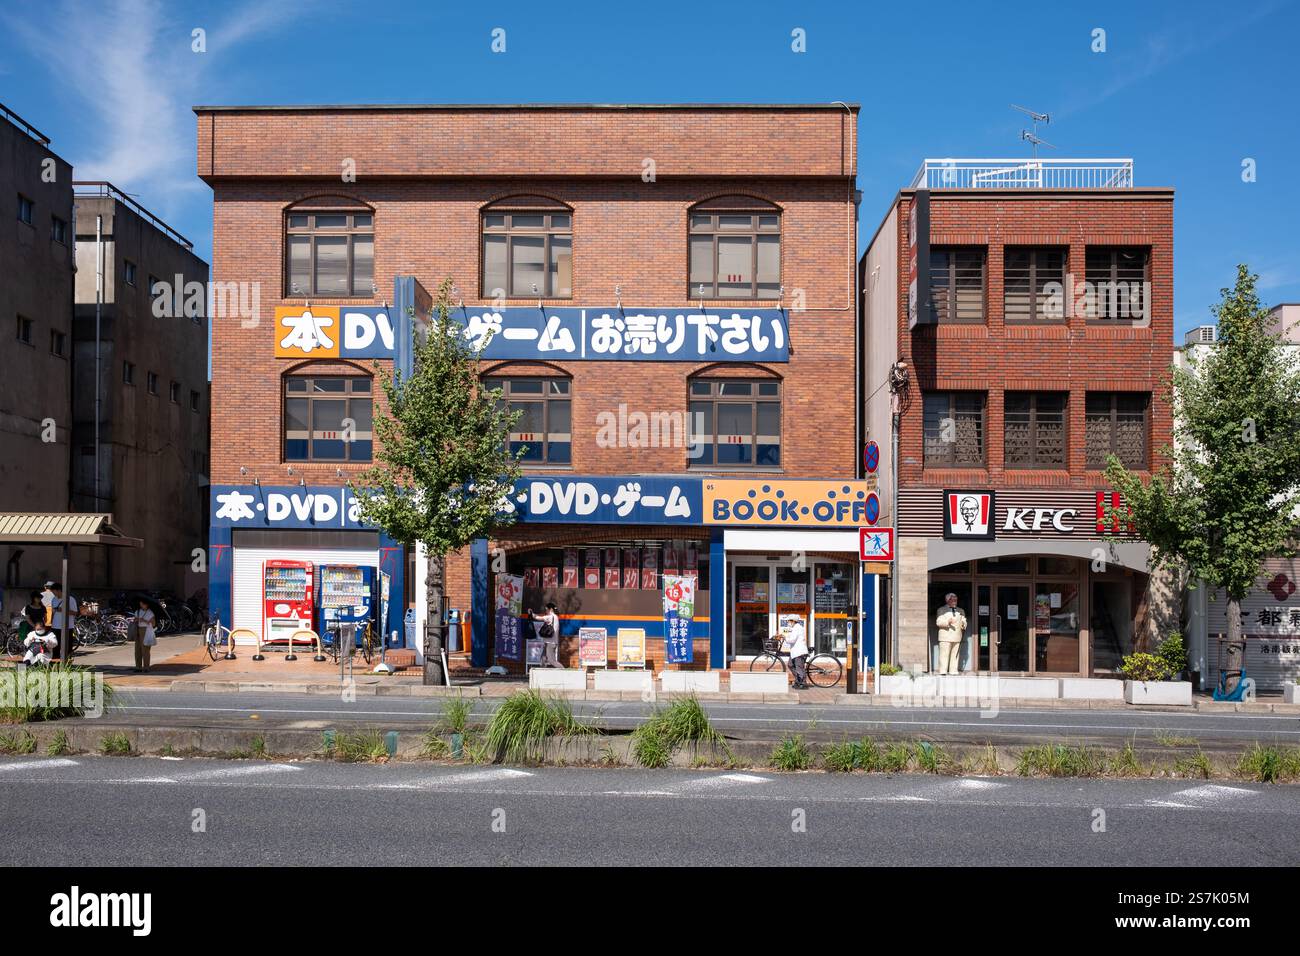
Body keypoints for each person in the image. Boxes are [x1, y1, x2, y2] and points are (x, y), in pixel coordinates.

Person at [935, 592, 968, 675]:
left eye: (955, 600)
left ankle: (953, 670)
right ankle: (943, 670)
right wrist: (947, 622)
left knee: (955, 655)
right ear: (947, 600)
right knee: (944, 655)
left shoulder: (961, 610)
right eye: (952, 600)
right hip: (945, 637)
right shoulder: (941, 610)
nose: (954, 601)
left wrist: (964, 624)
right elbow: (938, 622)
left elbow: (964, 620)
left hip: (957, 636)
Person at [530, 602, 562, 668]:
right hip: (549, 642)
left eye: (546, 609)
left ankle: (564, 671)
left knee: (551, 660)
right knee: (543, 659)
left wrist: (531, 613)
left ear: (551, 609)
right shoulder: (555, 617)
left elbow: (538, 618)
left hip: (550, 643)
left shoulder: (551, 617)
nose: (546, 611)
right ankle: (542, 672)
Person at [783, 616, 810, 689]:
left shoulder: (797, 628)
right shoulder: (795, 628)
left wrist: (784, 637)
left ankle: (803, 683)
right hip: (795, 652)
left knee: (799, 667)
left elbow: (792, 640)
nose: (788, 623)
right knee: (790, 664)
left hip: (799, 651)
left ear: (793, 621)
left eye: (788, 621)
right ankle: (798, 680)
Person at [133, 598, 157, 673]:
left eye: (142, 604)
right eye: (140, 604)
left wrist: (145, 621)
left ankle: (146, 667)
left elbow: (153, 624)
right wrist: (136, 620)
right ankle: (138, 667)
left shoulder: (150, 613)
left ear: (146, 604)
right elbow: (135, 620)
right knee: (137, 649)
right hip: (138, 629)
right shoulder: (137, 611)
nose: (141, 605)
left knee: (145, 649)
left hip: (146, 630)